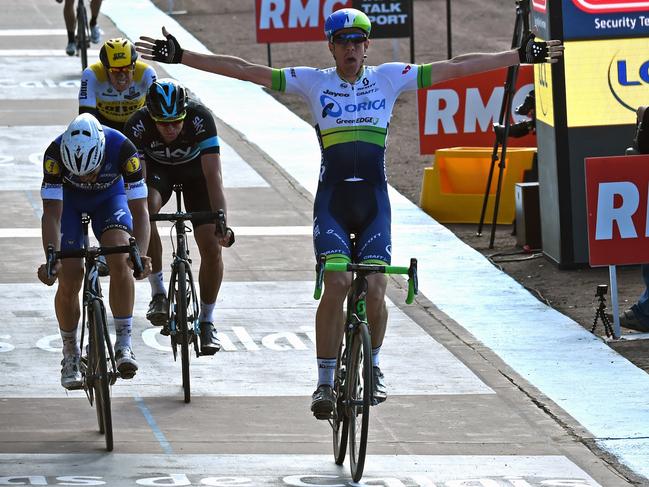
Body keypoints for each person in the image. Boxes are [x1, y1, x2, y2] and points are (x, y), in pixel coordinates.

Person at [135, 8, 563, 418]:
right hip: (334, 203)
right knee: (337, 281)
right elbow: (247, 69)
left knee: (376, 286)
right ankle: (323, 382)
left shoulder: (389, 78)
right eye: (343, 42)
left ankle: (373, 366)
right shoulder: (314, 83)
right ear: (331, 47)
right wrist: (184, 57)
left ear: (368, 46)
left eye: (358, 41)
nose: (351, 49)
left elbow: (455, 65)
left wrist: (519, 56)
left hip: (374, 202)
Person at [37, 113, 152, 389]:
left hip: (110, 199)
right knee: (70, 276)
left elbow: (140, 210)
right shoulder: (53, 155)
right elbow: (52, 214)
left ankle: (124, 342)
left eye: (91, 171)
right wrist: (52, 258)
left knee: (121, 259)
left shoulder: (124, 150)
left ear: (102, 153)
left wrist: (141, 254)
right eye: (79, 173)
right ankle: (71, 354)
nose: (86, 178)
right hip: (69, 204)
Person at [123, 78, 234, 355]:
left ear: (186, 113)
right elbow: (138, 189)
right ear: (151, 117)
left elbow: (214, 176)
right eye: (163, 123)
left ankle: (207, 321)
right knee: (146, 209)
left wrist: (222, 221)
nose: (170, 129)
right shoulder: (137, 125)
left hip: (197, 174)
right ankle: (158, 292)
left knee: (211, 247)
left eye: (176, 122)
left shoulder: (201, 118)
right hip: (159, 174)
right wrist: (142, 222)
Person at [79, 37, 157, 133]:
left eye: (126, 68)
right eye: (115, 70)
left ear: (134, 66)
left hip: (137, 123)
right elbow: (86, 116)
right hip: (104, 123)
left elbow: (157, 110)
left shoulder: (147, 73)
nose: (121, 75)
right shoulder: (92, 74)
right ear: (105, 69)